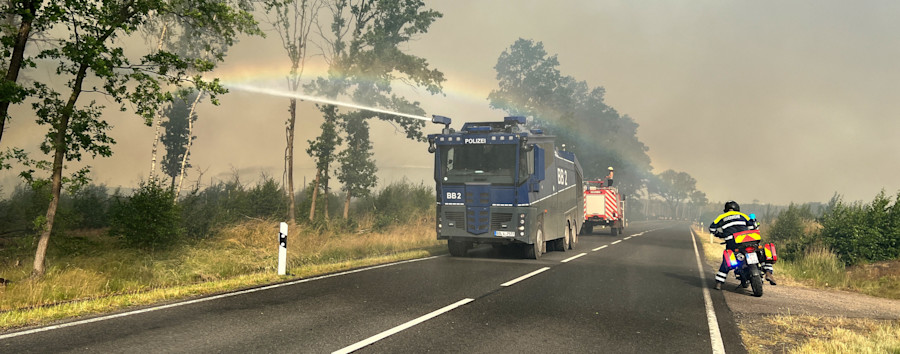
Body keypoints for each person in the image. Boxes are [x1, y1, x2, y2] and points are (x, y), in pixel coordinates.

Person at [708, 201, 776, 290]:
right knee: (761, 255)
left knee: (727, 260)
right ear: (737, 208)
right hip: (750, 241)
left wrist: (720, 234)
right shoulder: (743, 215)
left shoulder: (721, 217)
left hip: (733, 243)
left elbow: (712, 228)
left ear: (726, 209)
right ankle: (768, 272)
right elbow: (752, 227)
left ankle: (719, 282)